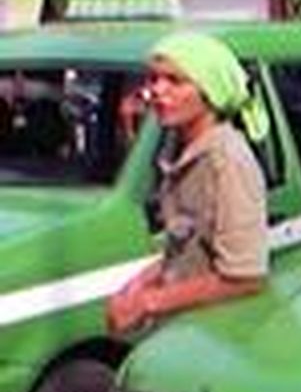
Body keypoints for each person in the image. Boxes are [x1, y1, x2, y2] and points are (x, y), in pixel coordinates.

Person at [106, 31, 270, 336]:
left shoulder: (227, 162)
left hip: (217, 340)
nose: (157, 90)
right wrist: (141, 283)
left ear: (209, 91)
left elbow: (245, 278)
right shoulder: (179, 150)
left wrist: (148, 303)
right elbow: (185, 251)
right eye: (154, 79)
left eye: (175, 81)